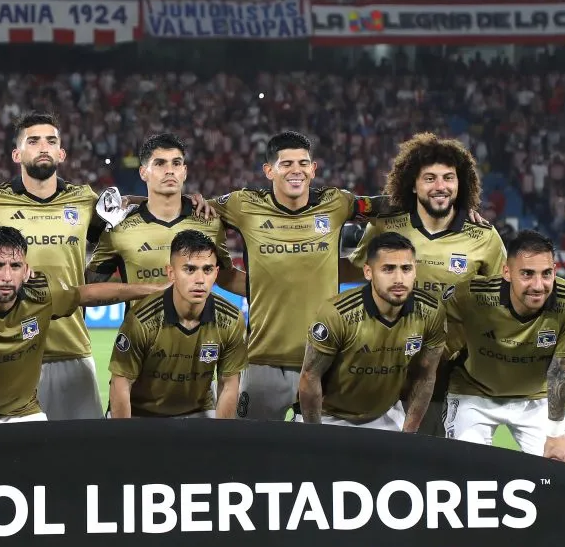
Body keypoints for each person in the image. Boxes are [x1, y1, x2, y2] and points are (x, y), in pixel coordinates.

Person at [206, 131, 389, 421]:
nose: (296, 171)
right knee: (255, 454)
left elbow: (384, 206)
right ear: (269, 171)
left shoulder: (336, 203)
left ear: (313, 169)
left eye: (303, 163)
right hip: (263, 361)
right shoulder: (243, 205)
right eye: (286, 164)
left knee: (323, 458)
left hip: (327, 360)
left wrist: (459, 207)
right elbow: (191, 209)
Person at [0, 112, 111, 421]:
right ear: (17, 153)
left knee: (84, 456)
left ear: (61, 153)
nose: (43, 147)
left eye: (51, 141)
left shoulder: (84, 200)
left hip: (71, 348)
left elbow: (127, 223)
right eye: (33, 141)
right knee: (16, 461)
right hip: (8, 351)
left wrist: (179, 200)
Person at [0, 226, 161, 427]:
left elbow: (88, 294)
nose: (7, 276)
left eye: (15, 266)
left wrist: (157, 290)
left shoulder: (41, 293)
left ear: (27, 270)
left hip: (23, 414)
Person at [349, 132, 507, 437]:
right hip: (385, 363)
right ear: (413, 183)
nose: (440, 187)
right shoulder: (386, 225)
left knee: (440, 461)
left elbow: (501, 302)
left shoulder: (484, 237)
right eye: (430, 178)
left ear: (460, 184)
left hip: (451, 369)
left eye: (449, 178)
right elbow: (357, 271)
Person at [443, 230, 565, 464]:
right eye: (528, 274)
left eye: (547, 273)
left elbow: (563, 369)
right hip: (475, 394)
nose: (538, 285)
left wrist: (554, 433)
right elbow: (434, 329)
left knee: (564, 469)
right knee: (465, 470)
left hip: (535, 399)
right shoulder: (471, 295)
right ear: (507, 272)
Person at [297, 233, 445, 431]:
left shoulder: (431, 312)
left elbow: (425, 377)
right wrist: (314, 434)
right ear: (368, 271)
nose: (399, 279)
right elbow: (310, 376)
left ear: (415, 271)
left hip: (386, 415)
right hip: (330, 418)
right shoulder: (337, 314)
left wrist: (409, 432)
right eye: (388, 269)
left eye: (406, 268)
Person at [86, 134, 246, 300]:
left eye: (176, 163)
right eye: (160, 163)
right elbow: (89, 289)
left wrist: (272, 289)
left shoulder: (209, 221)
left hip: (202, 326)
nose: (169, 170)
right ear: (143, 172)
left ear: (184, 172)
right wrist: (146, 290)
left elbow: (226, 278)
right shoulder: (119, 227)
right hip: (137, 326)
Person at [108, 230, 247, 419]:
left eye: (207, 270)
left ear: (216, 273)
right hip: (142, 413)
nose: (199, 280)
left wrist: (218, 438)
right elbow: (121, 384)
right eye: (189, 269)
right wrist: (126, 438)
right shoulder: (141, 319)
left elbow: (229, 385)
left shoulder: (230, 319)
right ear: (171, 273)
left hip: (198, 411)